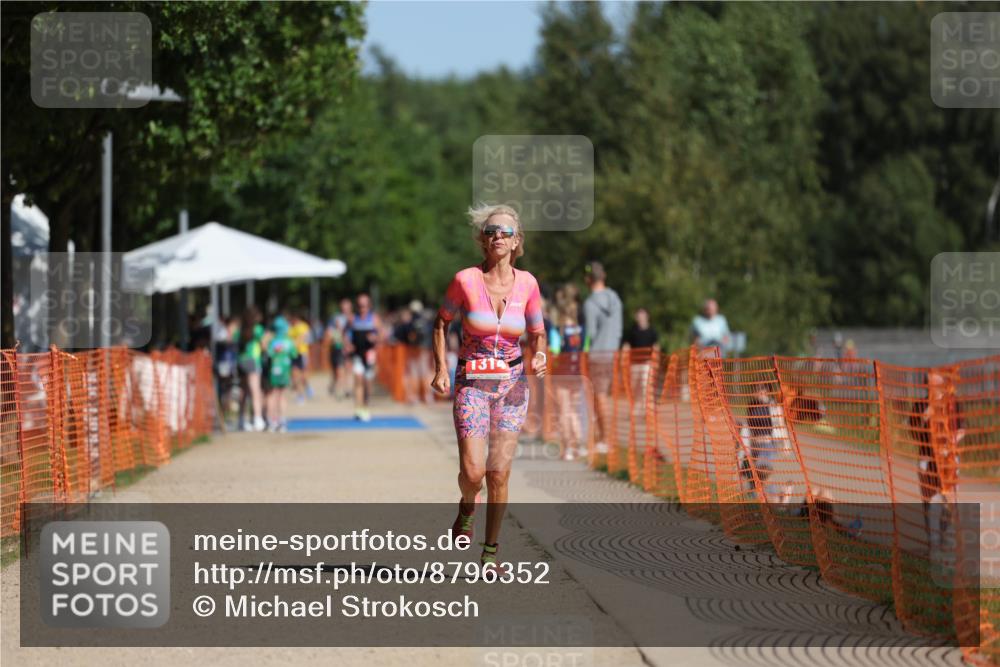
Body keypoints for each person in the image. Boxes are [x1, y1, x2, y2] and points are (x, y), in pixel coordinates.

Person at [430, 203, 547, 572]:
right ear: (483, 239)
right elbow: (441, 321)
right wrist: (441, 369)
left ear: (517, 241)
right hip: (472, 384)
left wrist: (540, 355)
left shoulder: (528, 284)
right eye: (491, 230)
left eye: (506, 231)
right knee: (475, 472)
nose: (497, 236)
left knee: (498, 473)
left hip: (512, 386)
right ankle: (467, 506)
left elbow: (537, 332)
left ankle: (491, 551)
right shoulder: (465, 280)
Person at [582, 261, 622, 455]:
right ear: (603, 277)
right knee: (606, 396)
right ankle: (605, 437)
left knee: (600, 396)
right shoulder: (615, 298)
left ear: (588, 280)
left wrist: (584, 351)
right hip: (613, 352)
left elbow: (590, 333)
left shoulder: (590, 303)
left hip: (598, 354)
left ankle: (606, 439)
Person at [555, 299, 585, 461]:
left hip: (561, 375)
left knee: (564, 412)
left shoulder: (559, 331)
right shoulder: (582, 331)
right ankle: (578, 446)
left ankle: (567, 448)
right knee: (574, 411)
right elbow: (584, 350)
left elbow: (553, 350)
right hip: (577, 373)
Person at [348, 293, 382, 422]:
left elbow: (382, 335)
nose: (362, 308)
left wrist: (375, 338)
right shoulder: (352, 319)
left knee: (367, 383)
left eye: (365, 305)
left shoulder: (374, 319)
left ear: (369, 306)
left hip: (369, 354)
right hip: (357, 354)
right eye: (359, 305)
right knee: (358, 380)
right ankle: (358, 408)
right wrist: (348, 344)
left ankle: (366, 406)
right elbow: (346, 333)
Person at [236, 306, 266, 432]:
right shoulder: (258, 330)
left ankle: (241, 419)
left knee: (243, 390)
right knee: (255, 390)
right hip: (253, 360)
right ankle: (258, 419)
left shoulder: (240, 330)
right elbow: (263, 345)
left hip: (241, 360)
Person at [266, 315, 296, 432]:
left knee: (273, 394)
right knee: (282, 395)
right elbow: (294, 354)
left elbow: (269, 354)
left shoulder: (272, 341)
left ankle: (272, 422)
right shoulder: (289, 341)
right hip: (285, 370)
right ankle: (282, 421)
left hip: (274, 370)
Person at [326, 298, 353, 399]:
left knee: (348, 368)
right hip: (338, 347)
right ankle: (338, 388)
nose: (345, 309)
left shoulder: (353, 317)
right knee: (338, 370)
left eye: (347, 307)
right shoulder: (336, 318)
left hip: (350, 347)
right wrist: (336, 335)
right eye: (344, 306)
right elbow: (329, 332)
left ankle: (347, 390)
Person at [289, 311, 313, 402]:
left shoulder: (303, 326)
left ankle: (307, 386)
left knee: (303, 376)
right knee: (295, 376)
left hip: (302, 353)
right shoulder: (290, 328)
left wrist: (295, 343)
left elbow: (305, 338)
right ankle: (300, 395)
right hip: (293, 354)